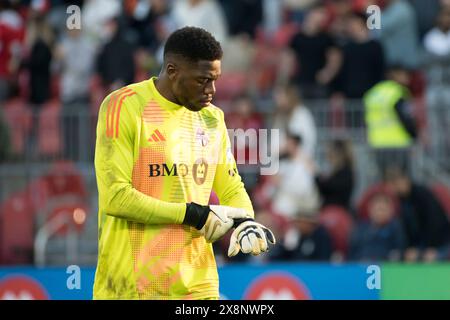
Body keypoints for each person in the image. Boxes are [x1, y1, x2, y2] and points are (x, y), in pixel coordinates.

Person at [93, 27, 275, 300]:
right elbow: (115, 198)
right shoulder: (123, 106)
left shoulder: (213, 118)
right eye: (202, 80)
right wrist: (192, 214)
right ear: (172, 70)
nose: (211, 90)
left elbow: (231, 186)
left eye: (215, 80)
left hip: (198, 287)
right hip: (131, 287)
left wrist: (244, 220)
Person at [384, 167, 450, 262]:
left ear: (404, 180)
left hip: (440, 243)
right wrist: (409, 248)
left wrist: (430, 248)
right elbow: (406, 229)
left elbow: (435, 223)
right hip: (420, 245)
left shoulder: (422, 194)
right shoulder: (401, 200)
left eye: (395, 184)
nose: (393, 189)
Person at [363, 65, 418, 177]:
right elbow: (406, 118)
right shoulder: (397, 92)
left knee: (384, 180)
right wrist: (414, 136)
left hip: (377, 144)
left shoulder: (373, 93)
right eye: (403, 74)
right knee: (401, 181)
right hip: (398, 144)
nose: (407, 78)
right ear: (394, 74)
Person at [349, 192, 405, 262]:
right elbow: (352, 251)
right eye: (377, 209)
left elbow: (399, 251)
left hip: (384, 267)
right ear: (370, 209)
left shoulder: (395, 228)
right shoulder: (361, 228)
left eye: (383, 209)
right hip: (360, 266)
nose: (379, 213)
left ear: (390, 211)